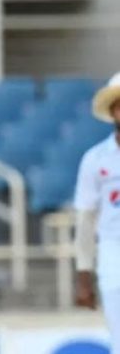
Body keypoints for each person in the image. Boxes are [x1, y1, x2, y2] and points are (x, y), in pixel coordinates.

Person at [74, 72, 120, 354]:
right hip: (114, 252)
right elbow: (85, 219)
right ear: (113, 110)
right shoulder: (95, 159)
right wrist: (83, 274)